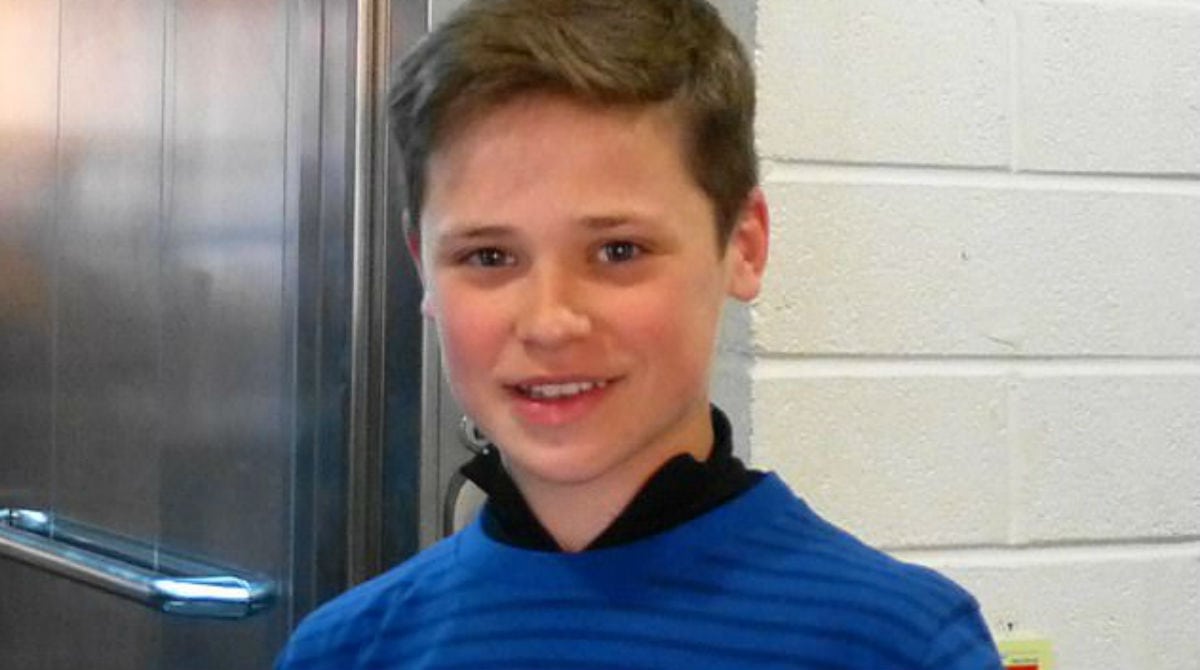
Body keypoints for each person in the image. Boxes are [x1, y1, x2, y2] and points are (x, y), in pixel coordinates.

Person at [276, 0, 1003, 667]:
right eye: (489, 257)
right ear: (425, 272)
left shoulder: (899, 644)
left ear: (744, 246)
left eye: (618, 250)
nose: (550, 322)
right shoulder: (348, 650)